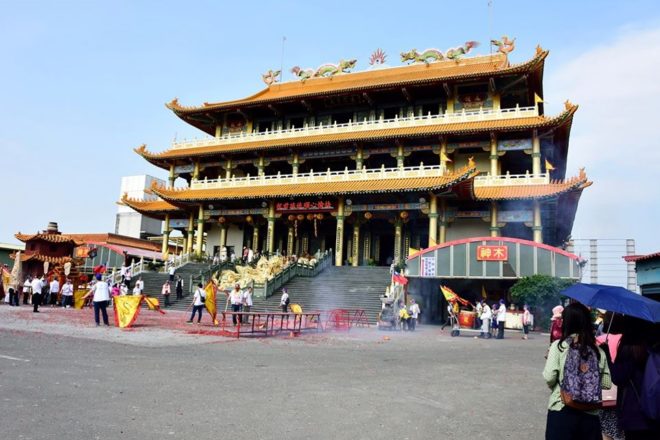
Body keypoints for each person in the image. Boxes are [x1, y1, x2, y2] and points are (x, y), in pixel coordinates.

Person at [543, 303, 612, 440]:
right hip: (590, 413)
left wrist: (564, 386)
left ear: (567, 322)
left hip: (561, 408)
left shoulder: (559, 346)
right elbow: (606, 383)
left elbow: (549, 377)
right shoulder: (598, 351)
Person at [601, 316, 660, 439]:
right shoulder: (653, 349)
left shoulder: (629, 350)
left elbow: (618, 377)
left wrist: (606, 354)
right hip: (654, 410)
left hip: (634, 412)